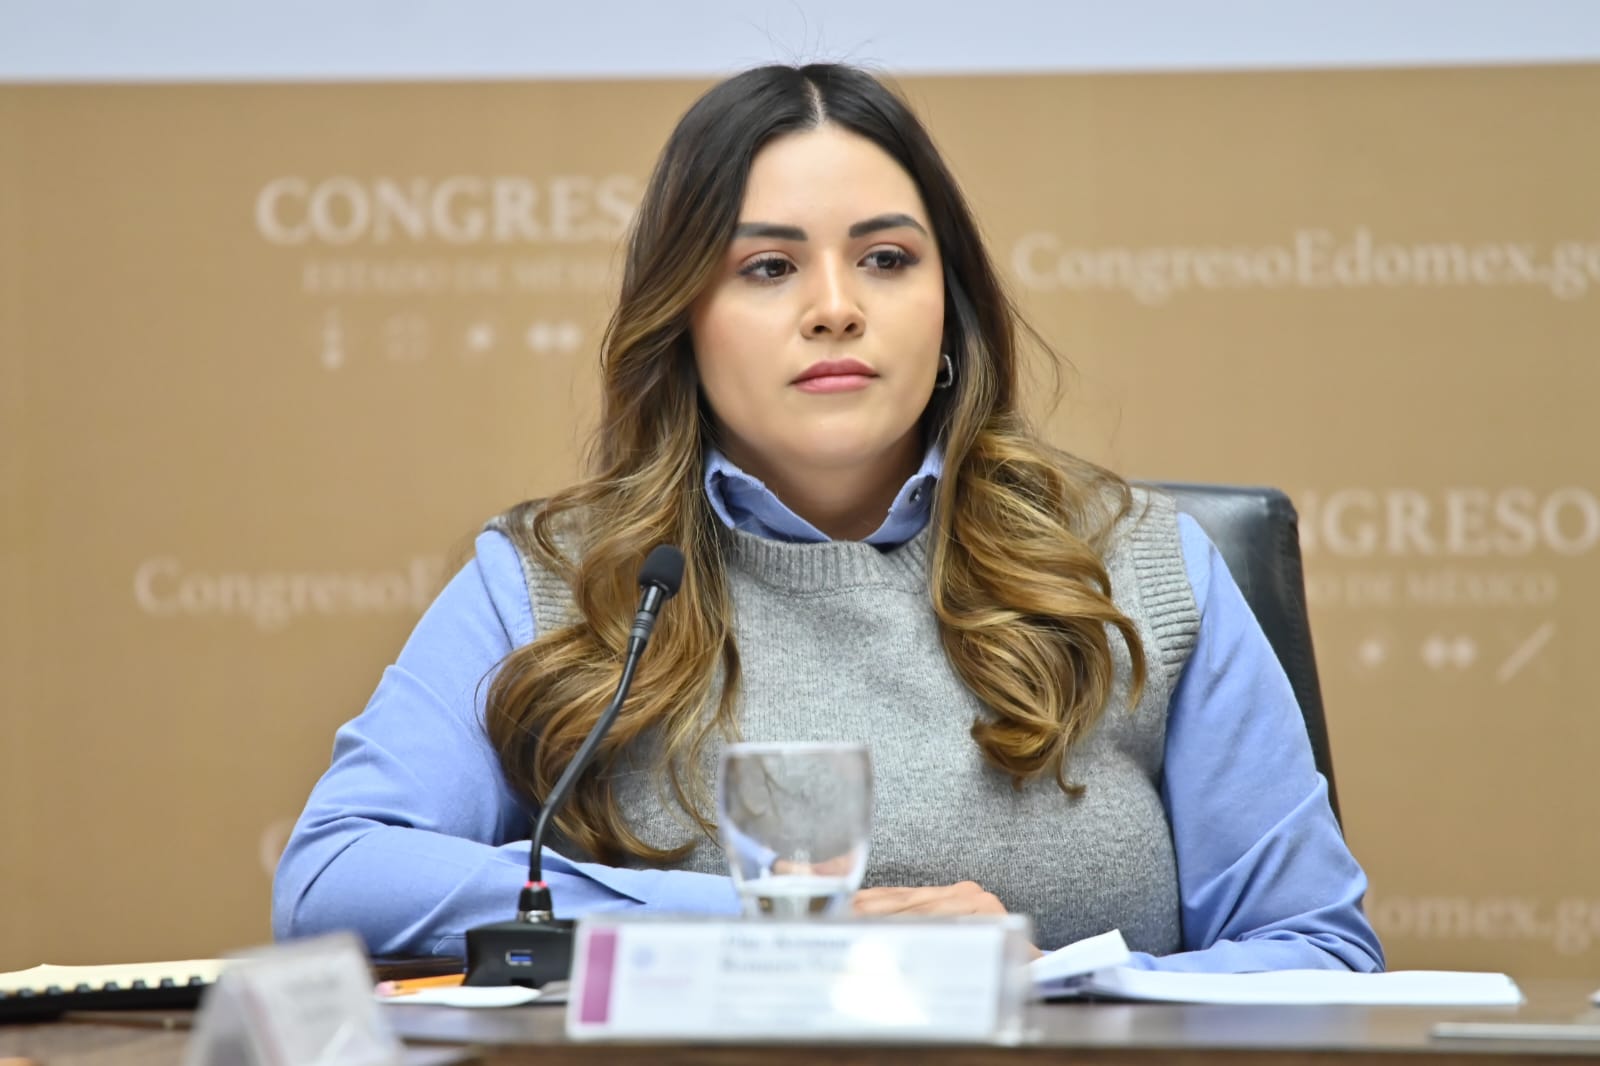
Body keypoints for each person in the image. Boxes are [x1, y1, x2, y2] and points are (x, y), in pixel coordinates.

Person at [272, 63, 1383, 973]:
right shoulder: (558, 580)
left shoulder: (1136, 567)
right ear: (684, 321)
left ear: (948, 309)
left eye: (886, 259)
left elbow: (1317, 949)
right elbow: (334, 877)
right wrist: (767, 925)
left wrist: (1053, 989)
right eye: (768, 267)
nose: (836, 307)